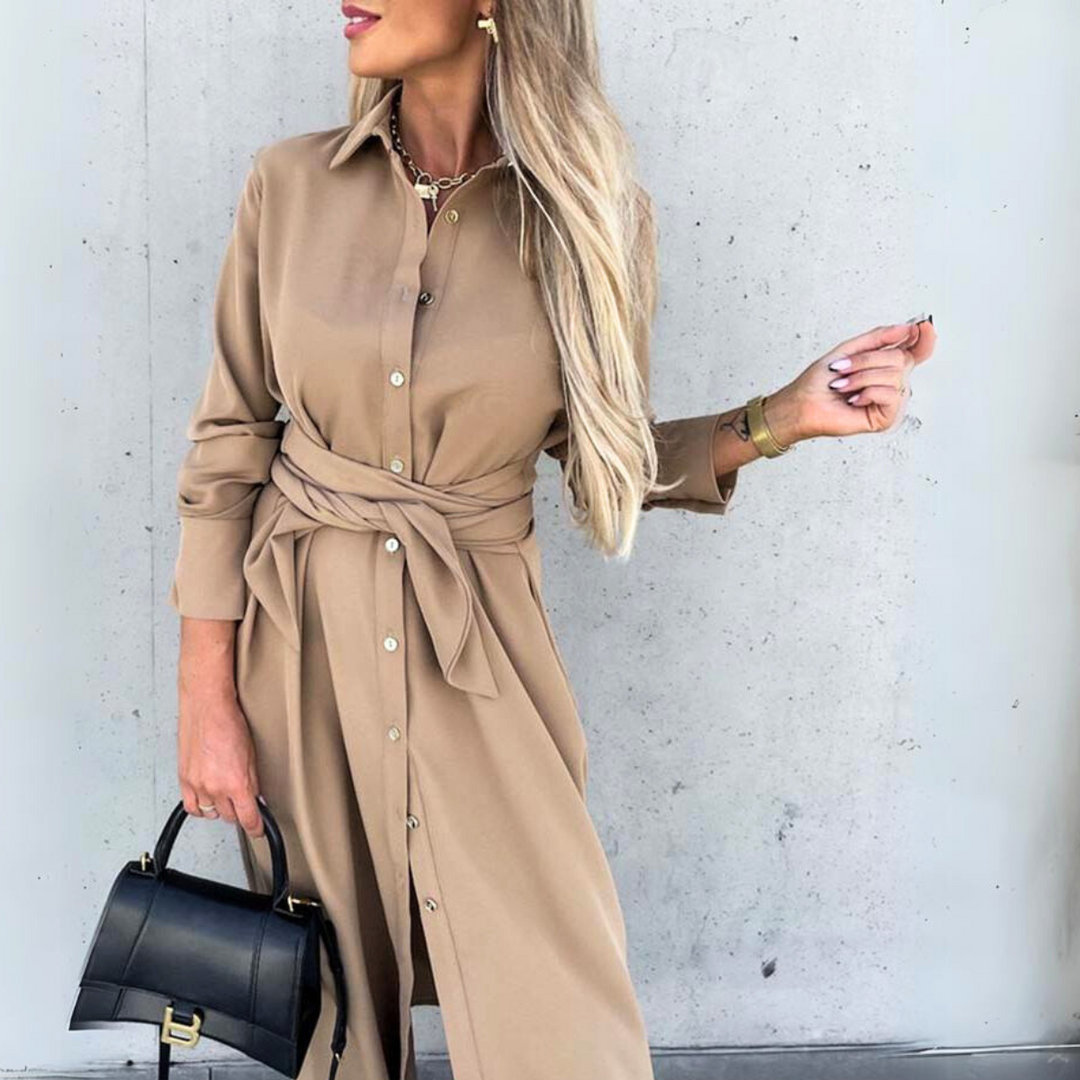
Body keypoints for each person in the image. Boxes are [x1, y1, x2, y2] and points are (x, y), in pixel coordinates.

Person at [168, 3, 938, 1079]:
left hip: (482, 659)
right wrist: (207, 701)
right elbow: (228, 448)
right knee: (334, 1031)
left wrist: (782, 417)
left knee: (563, 1031)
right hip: (303, 656)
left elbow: (601, 460)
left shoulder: (591, 218)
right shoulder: (287, 186)